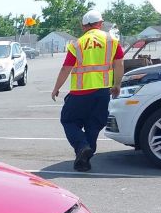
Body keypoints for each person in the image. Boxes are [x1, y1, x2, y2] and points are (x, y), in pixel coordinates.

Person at [51, 10, 124, 171]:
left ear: (83, 26)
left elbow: (66, 69)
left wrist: (57, 88)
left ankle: (82, 146)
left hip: (80, 92)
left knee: (69, 121)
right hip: (103, 91)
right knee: (94, 124)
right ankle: (83, 159)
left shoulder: (77, 44)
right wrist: (117, 84)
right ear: (100, 24)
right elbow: (119, 64)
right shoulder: (112, 41)